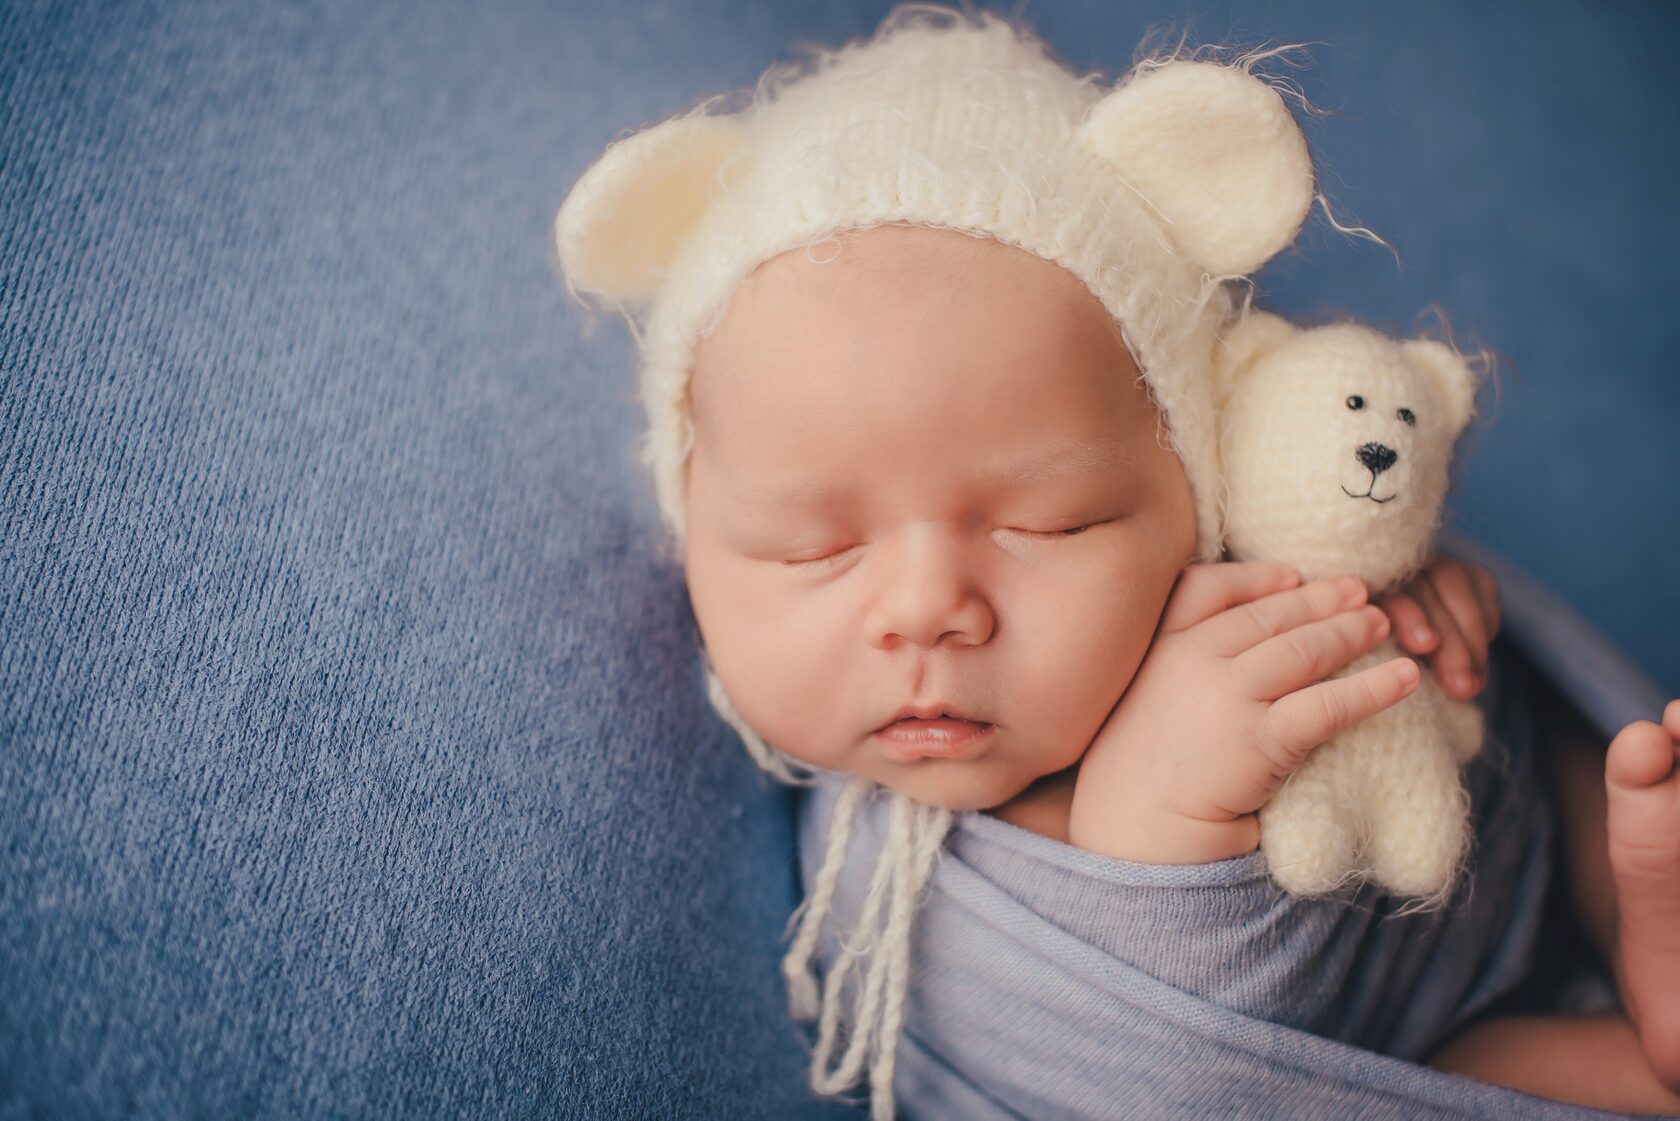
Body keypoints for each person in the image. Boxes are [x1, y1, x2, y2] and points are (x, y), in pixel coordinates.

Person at [553, 6, 1680, 1117]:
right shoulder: (882, 893)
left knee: (1591, 759)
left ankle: (1644, 918)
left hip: (1494, 887)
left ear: (1197, 490)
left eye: (1047, 523)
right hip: (1398, 1050)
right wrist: (1158, 821)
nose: (926, 610)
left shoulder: (1228, 582)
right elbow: (1195, 1082)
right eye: (814, 542)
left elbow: (1405, 650)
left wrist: (1392, 597)